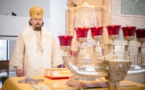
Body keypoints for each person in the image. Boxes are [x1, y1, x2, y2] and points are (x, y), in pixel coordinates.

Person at [9, 5, 63, 77]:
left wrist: (56, 65)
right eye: (35, 20)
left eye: (40, 20)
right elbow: (19, 51)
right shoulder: (24, 35)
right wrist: (19, 68)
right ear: (31, 21)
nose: (38, 22)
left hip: (46, 70)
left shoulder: (49, 35)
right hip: (30, 70)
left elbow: (55, 51)